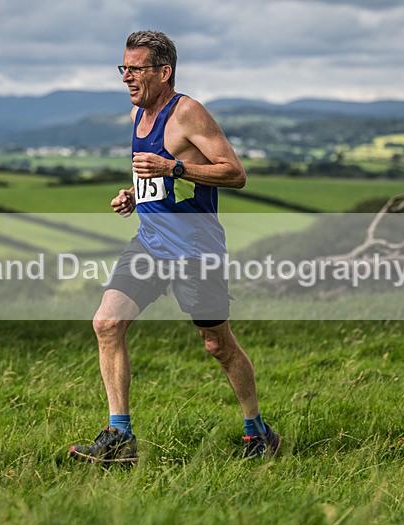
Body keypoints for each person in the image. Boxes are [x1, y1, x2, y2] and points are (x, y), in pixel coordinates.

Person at [69, 30, 280, 463]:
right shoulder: (137, 115)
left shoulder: (188, 113)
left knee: (217, 344)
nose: (126, 77)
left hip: (195, 250)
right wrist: (134, 194)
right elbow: (154, 175)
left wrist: (173, 167)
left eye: (136, 69)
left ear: (163, 72)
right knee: (107, 323)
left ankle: (258, 433)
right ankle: (120, 437)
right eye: (123, 68)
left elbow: (234, 173)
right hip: (149, 245)